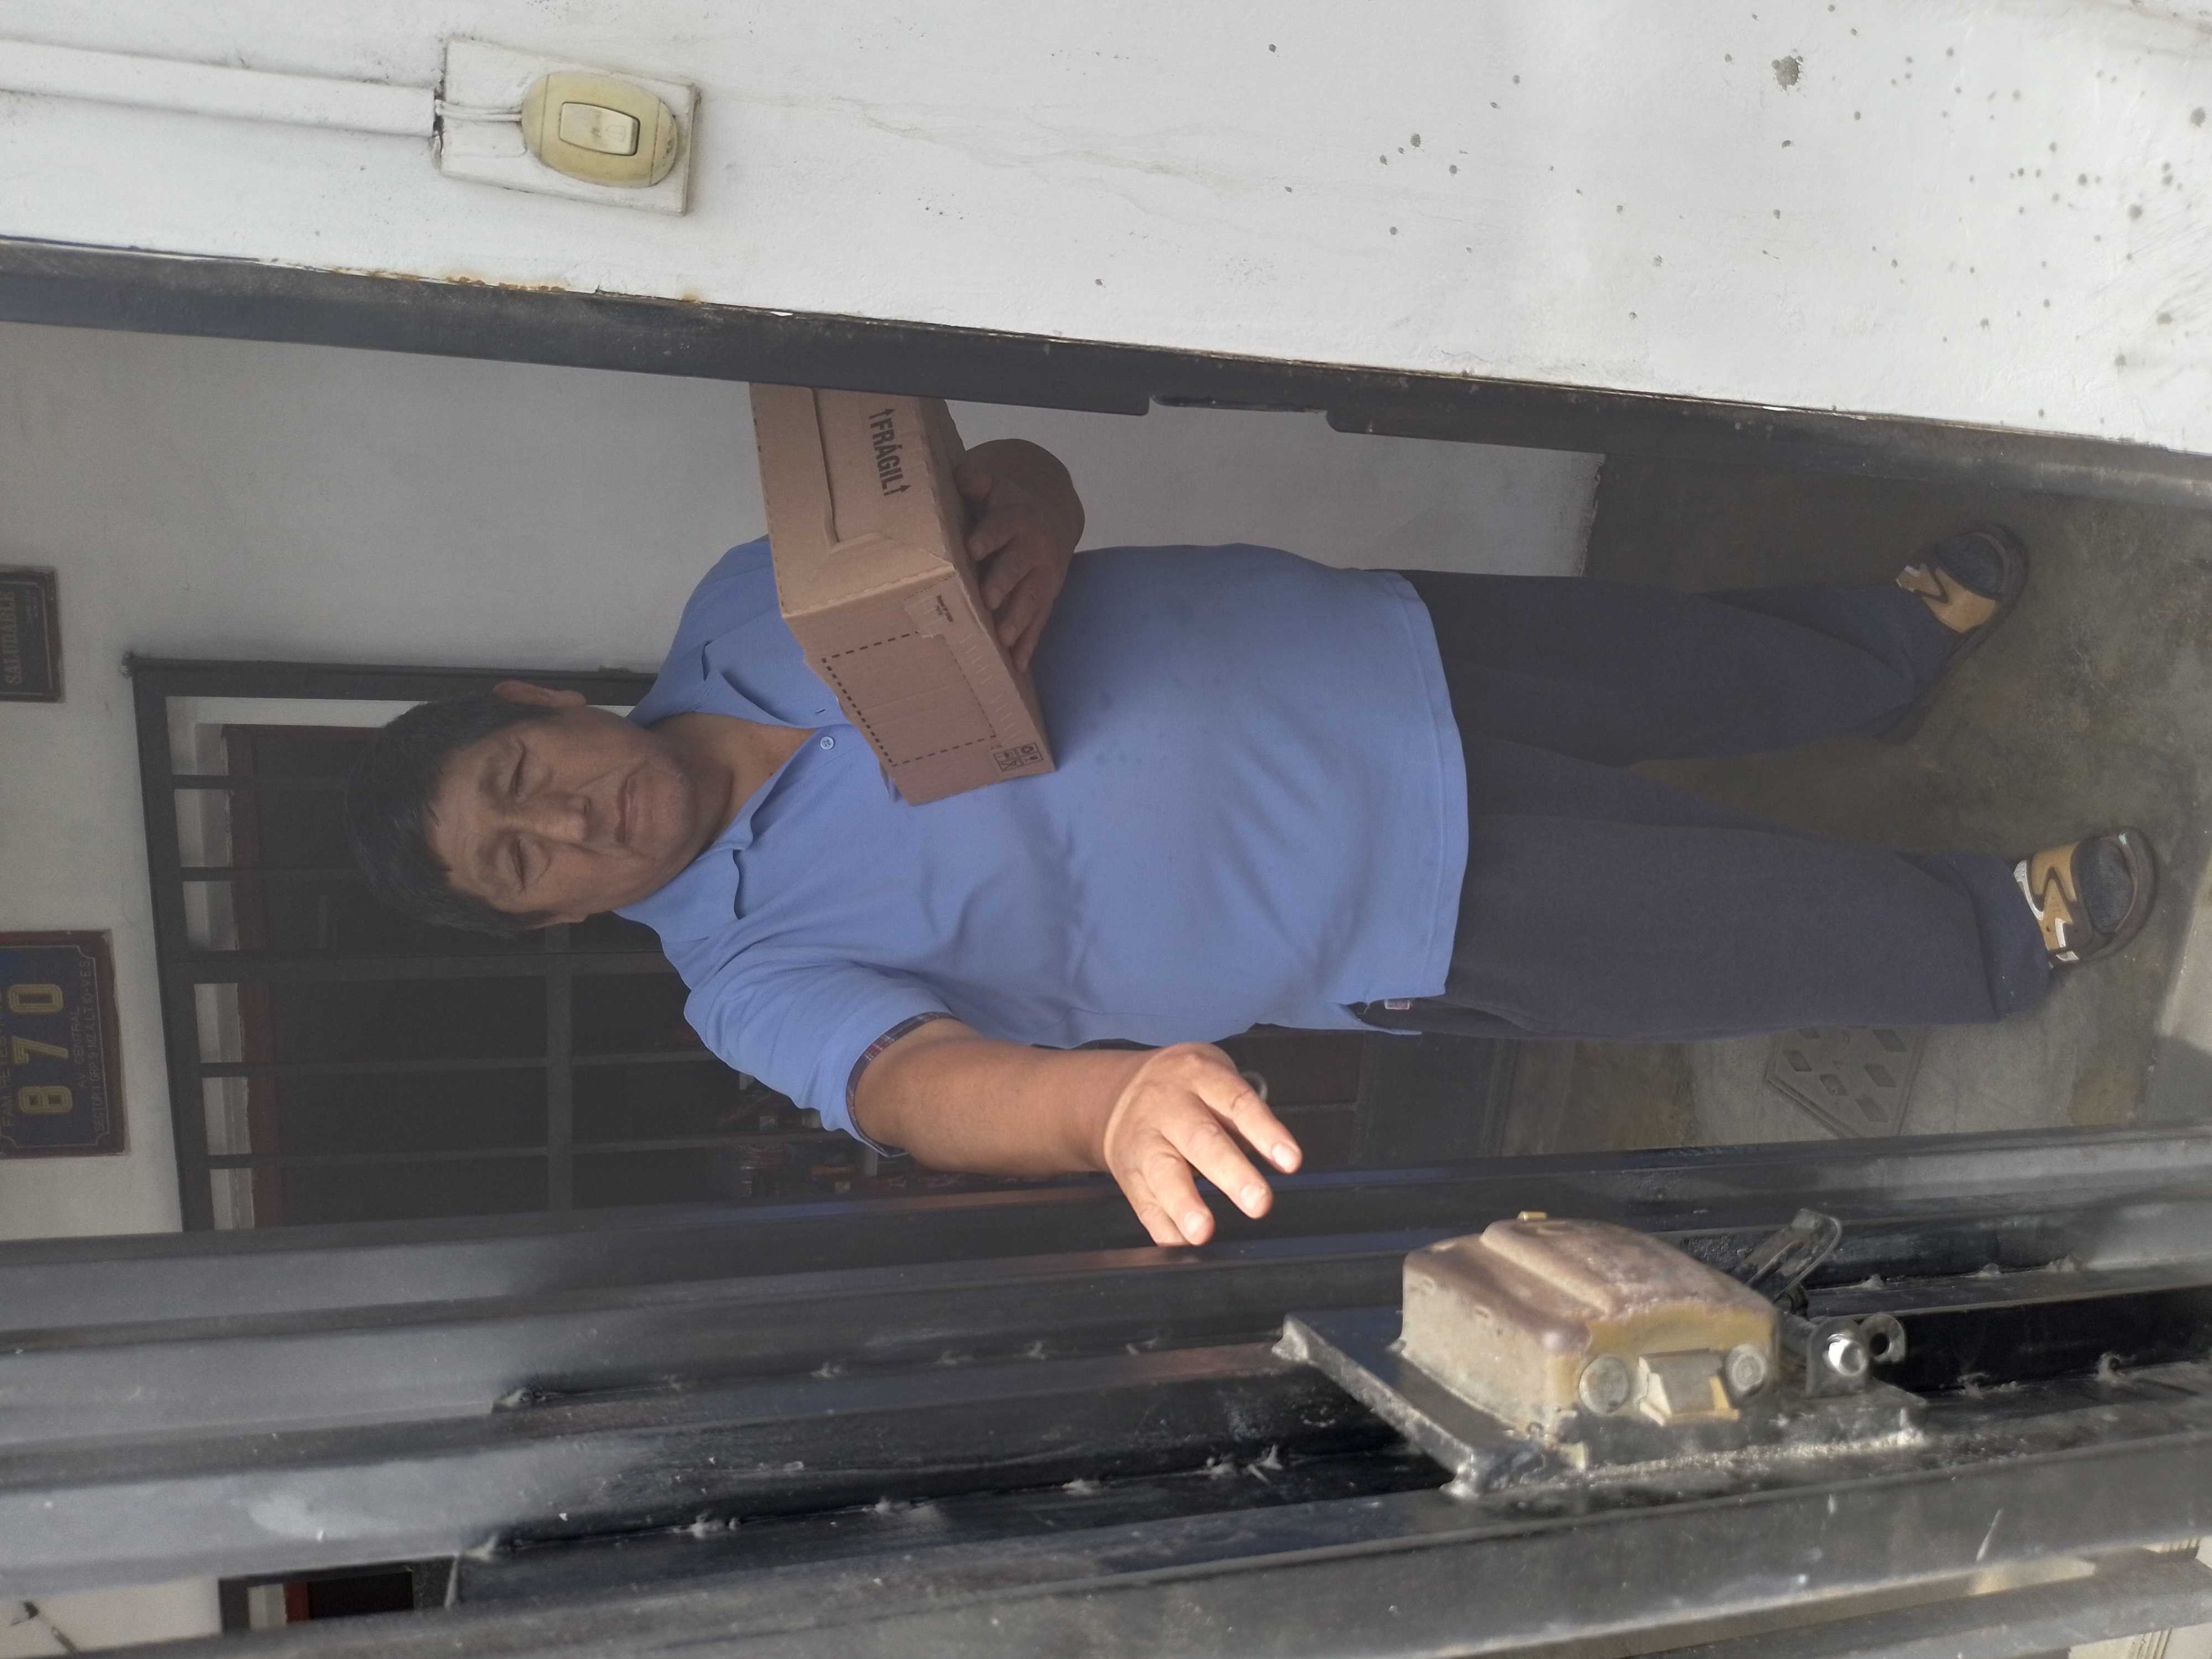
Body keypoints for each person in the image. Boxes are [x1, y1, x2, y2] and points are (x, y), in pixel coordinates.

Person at [347, 437, 2156, 1246]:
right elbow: (909, 1086)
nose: (563, 819)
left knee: (1682, 660)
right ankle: (1999, 935)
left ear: (539, 701)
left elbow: (997, 487)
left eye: (519, 777)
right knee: (1732, 926)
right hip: (1386, 900)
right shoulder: (745, 982)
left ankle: (1879, 651)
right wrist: (1101, 1109)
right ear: (549, 921)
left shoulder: (744, 600)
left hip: (1364, 644)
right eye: (523, 863)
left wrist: (1036, 503)